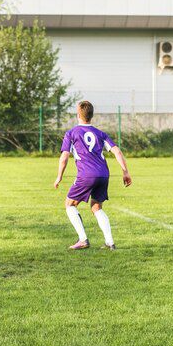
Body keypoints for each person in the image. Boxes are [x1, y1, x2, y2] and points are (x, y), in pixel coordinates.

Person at [53, 100, 132, 250]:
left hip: (86, 174)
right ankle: (110, 242)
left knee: (69, 204)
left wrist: (59, 176)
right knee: (96, 207)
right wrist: (125, 171)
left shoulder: (71, 133)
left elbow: (64, 157)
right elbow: (117, 151)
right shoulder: (100, 133)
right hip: (103, 174)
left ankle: (83, 239)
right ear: (91, 116)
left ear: (78, 115)